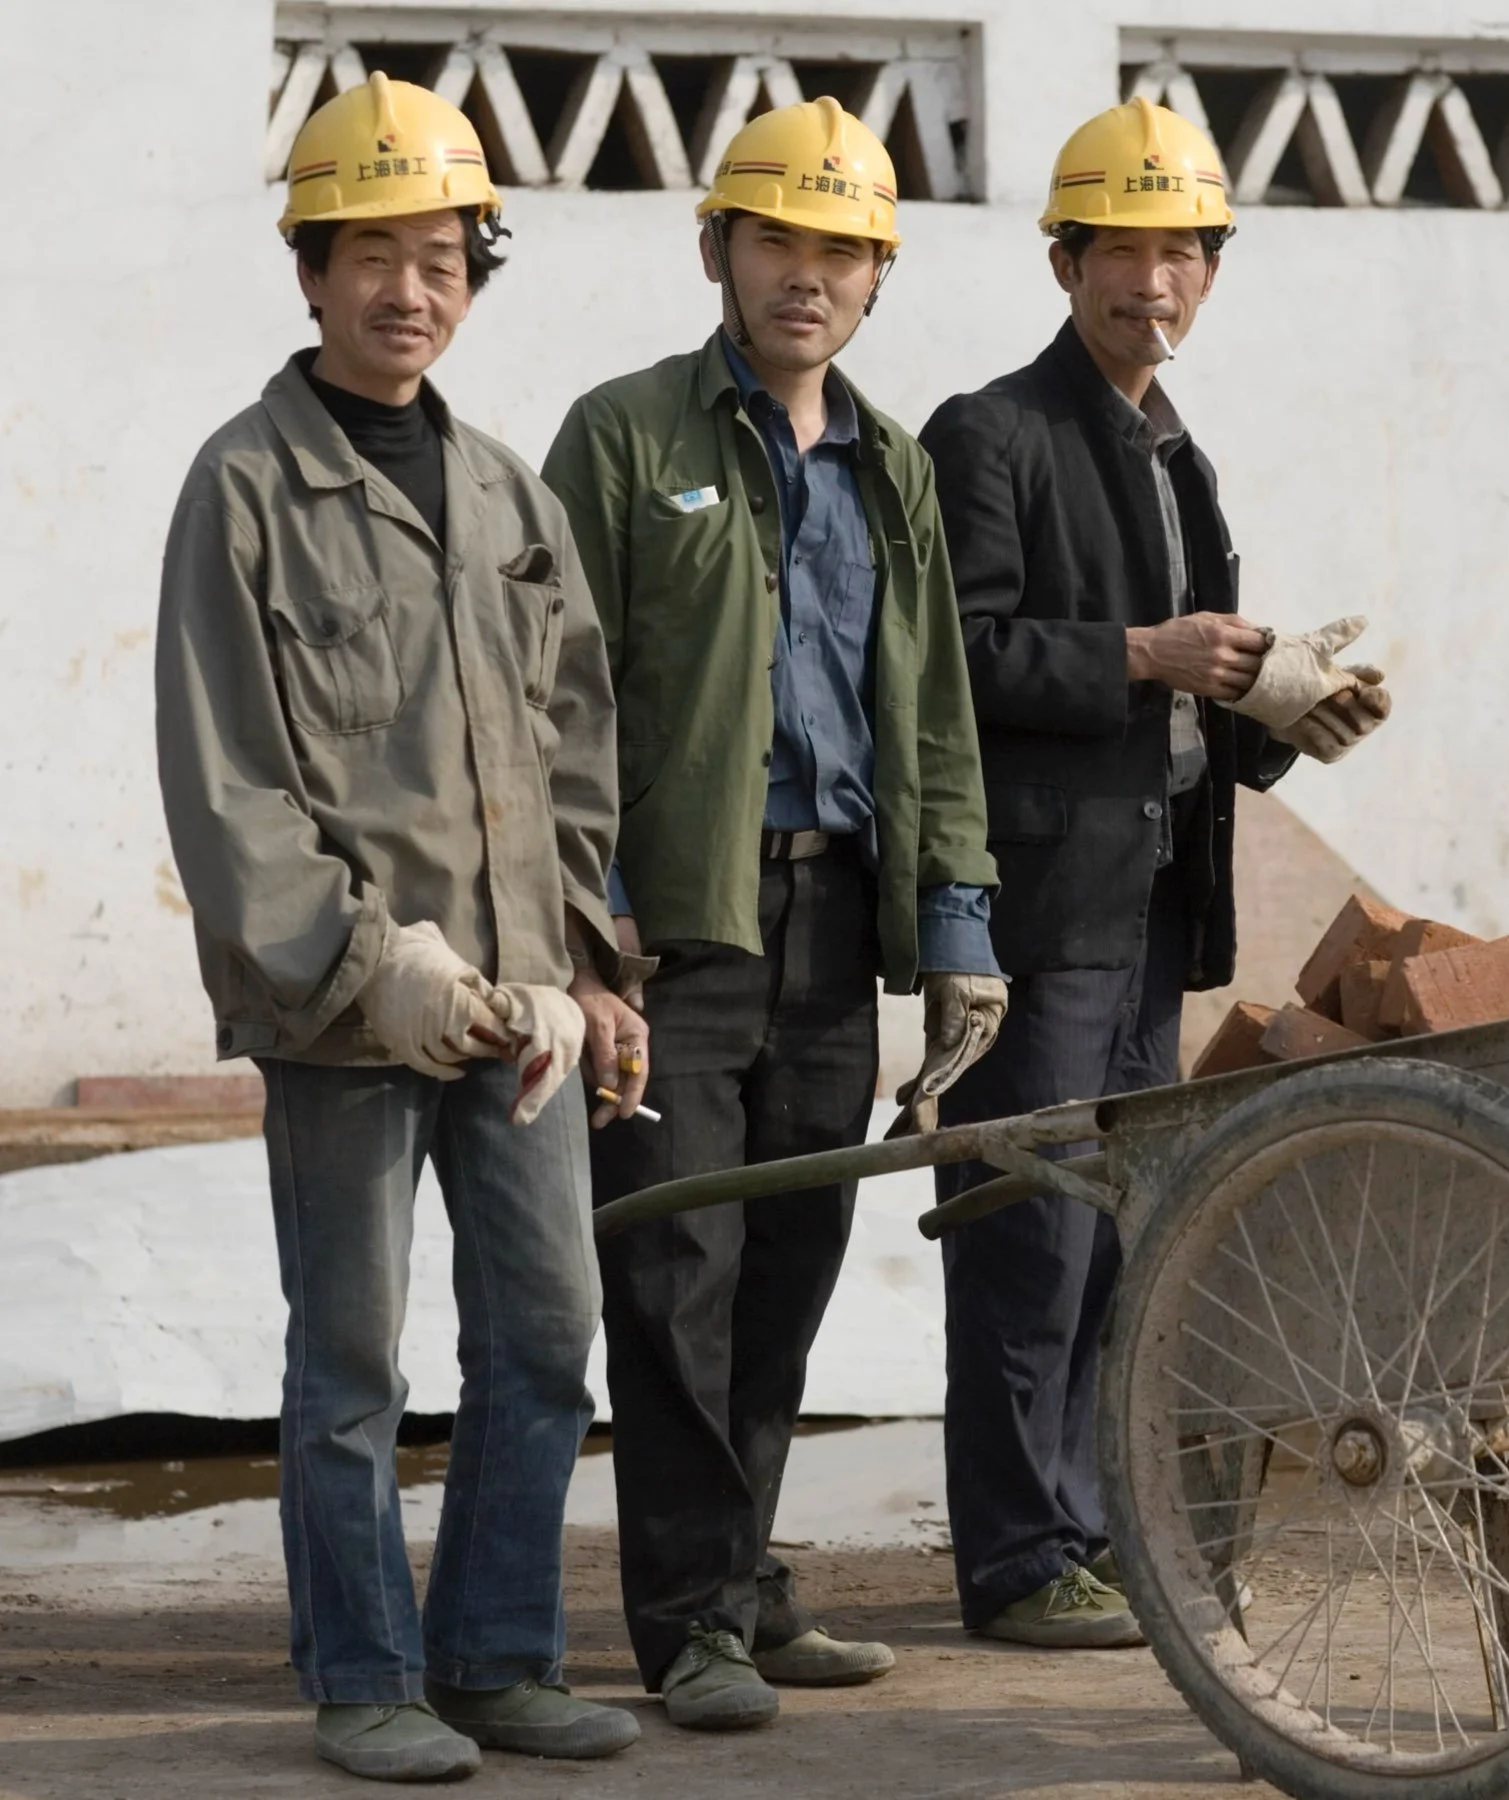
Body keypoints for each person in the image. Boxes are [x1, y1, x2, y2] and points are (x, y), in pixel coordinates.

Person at [154, 74, 647, 1781]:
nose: (408, 290)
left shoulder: (511, 498)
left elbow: (577, 744)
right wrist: (385, 964)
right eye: (372, 253)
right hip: (347, 1017)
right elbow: (233, 789)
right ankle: (366, 1678)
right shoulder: (243, 490)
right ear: (310, 269)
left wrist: (590, 964)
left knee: (543, 1335)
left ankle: (501, 1658)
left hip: (517, 1011)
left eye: (440, 257)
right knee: (352, 1359)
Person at [541, 98, 1005, 1730]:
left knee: (791, 1263)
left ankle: (738, 1586)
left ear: (876, 277)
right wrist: (593, 939)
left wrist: (956, 924)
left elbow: (934, 707)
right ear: (719, 251)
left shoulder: (891, 468)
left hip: (835, 925)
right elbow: (557, 701)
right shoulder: (622, 439)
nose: (805, 278)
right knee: (678, 1269)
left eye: (839, 251)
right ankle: (692, 1627)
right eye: (777, 242)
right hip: (680, 929)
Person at [919, 97, 1392, 1649]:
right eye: (1123, 250)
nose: (1156, 281)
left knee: (1124, 1241)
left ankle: (1100, 1536)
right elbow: (955, 664)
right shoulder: (990, 436)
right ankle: (1013, 1559)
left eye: (1184, 250)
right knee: (1026, 1235)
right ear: (1063, 260)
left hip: (1153, 911)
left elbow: (1191, 714)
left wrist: (1290, 720)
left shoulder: (1178, 457)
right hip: (1039, 916)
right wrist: (1144, 652)